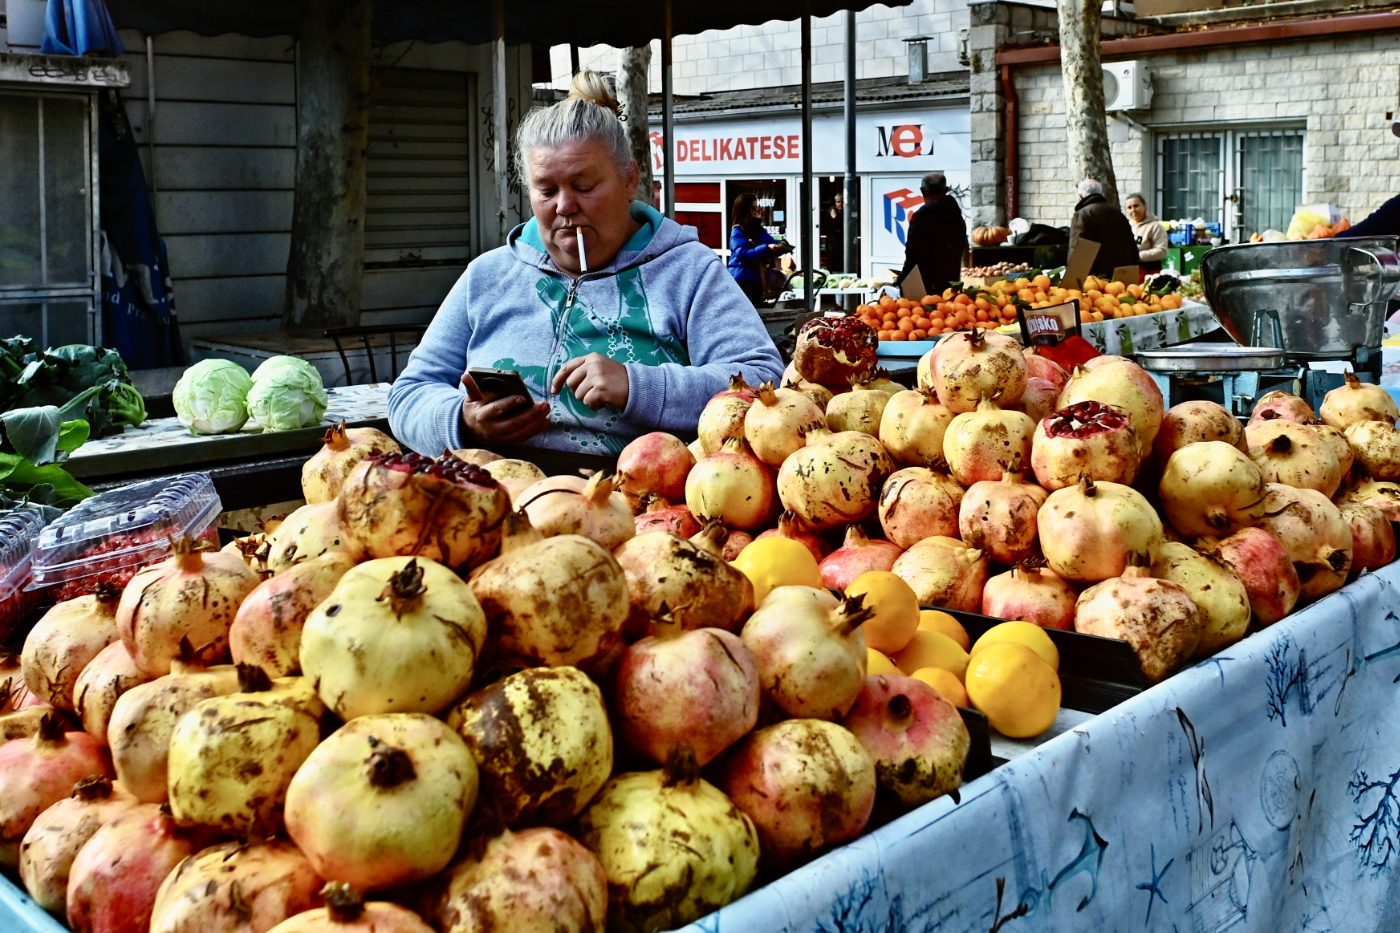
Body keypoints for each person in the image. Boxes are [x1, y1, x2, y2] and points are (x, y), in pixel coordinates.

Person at [388, 71, 785, 457]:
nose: (564, 206)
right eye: (546, 190)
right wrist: (462, 420)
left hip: (641, 504)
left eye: (584, 187)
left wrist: (638, 386)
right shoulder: (487, 276)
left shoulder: (689, 272)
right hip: (491, 495)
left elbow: (763, 379)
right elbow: (408, 395)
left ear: (629, 179)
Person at [897, 172, 966, 295]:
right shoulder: (956, 215)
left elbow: (913, 256)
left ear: (923, 191)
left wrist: (901, 283)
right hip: (951, 287)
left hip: (926, 288)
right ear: (946, 190)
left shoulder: (922, 217)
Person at [727, 193, 791, 306]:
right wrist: (766, 248)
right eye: (754, 207)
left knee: (759, 313)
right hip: (743, 281)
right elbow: (743, 255)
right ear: (745, 209)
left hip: (757, 279)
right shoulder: (737, 230)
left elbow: (772, 242)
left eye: (758, 207)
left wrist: (782, 246)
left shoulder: (758, 229)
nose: (757, 210)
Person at [1069, 179, 1140, 276]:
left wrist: (1074, 279)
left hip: (1096, 280)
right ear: (1100, 192)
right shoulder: (1118, 214)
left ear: (1081, 196)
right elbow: (1133, 250)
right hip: (1122, 276)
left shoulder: (1083, 214)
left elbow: (1078, 252)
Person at [1124, 192, 1168, 273]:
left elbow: (1162, 251)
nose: (1133, 210)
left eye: (1136, 206)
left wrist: (1137, 256)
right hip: (1129, 271)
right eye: (1129, 207)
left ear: (1145, 206)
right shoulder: (1125, 227)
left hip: (1150, 272)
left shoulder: (1155, 227)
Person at [820, 191, 845, 273]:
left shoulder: (846, 214)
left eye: (842, 202)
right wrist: (834, 218)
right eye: (838, 202)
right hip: (832, 243)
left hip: (843, 243)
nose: (840, 204)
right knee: (833, 264)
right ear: (835, 202)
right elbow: (827, 229)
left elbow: (841, 229)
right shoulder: (830, 214)